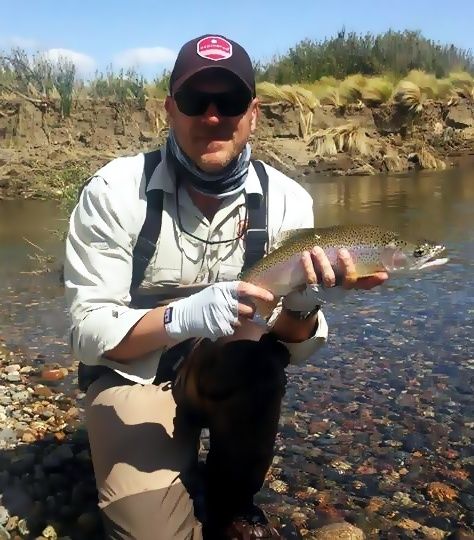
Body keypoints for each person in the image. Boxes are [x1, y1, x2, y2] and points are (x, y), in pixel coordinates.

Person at [64, 34, 388, 540]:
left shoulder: (287, 200)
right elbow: (86, 332)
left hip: (225, 365)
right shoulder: (114, 191)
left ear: (253, 112)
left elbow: (291, 346)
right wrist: (182, 317)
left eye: (230, 101)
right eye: (196, 101)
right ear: (170, 110)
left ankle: (231, 497)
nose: (213, 116)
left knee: (260, 362)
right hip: (132, 375)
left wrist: (303, 304)